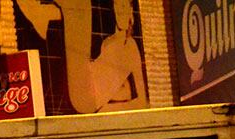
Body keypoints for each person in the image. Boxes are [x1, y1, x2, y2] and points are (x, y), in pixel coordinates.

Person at [16, 0, 149, 113]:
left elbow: (141, 101)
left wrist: (107, 108)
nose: (122, 12)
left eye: (126, 7)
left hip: (95, 108)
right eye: (119, 6)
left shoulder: (129, 47)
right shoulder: (108, 45)